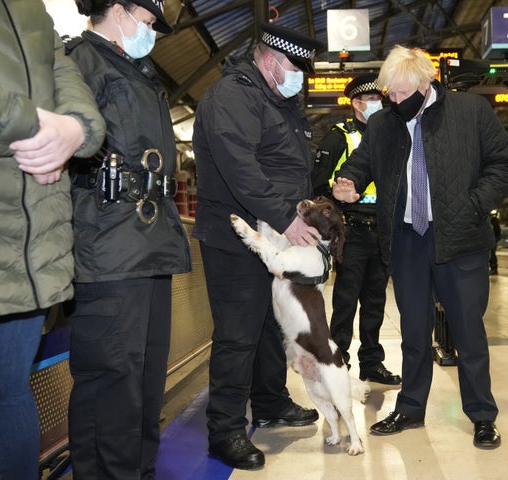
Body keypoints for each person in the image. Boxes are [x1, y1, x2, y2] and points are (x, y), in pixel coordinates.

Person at [333, 45, 508, 449]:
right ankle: (411, 408)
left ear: (425, 82)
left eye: (401, 94)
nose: (394, 102)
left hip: (462, 239)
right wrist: (348, 181)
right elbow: (360, 163)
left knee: (468, 332)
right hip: (406, 241)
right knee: (414, 332)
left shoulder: (470, 112)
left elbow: (503, 164)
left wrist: (471, 207)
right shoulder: (383, 123)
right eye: (389, 95)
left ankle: (483, 415)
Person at [64, 1, 192, 478]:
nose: (151, 31)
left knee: (144, 378)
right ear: (117, 11)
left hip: (149, 241)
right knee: (112, 379)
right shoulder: (80, 62)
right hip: (109, 243)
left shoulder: (137, 68)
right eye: (147, 20)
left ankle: (138, 471)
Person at [192, 23, 324, 470]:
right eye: (294, 67)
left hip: (271, 239)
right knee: (237, 334)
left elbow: (287, 168)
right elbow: (239, 168)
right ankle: (225, 430)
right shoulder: (233, 96)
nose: (299, 78)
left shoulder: (279, 102)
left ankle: (269, 401)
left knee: (269, 326)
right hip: (237, 237)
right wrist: (288, 220)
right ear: (269, 60)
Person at [0, 1, 105, 478]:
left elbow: (61, 71)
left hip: (26, 238)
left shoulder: (32, 9)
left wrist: (76, 127)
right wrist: (38, 130)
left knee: (5, 391)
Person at [311, 74, 401, 385]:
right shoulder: (339, 137)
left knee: (376, 300)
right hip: (351, 231)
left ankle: (372, 363)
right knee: (346, 301)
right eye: (372, 100)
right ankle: (338, 361)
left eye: (380, 99)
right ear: (357, 104)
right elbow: (318, 184)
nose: (378, 105)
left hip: (383, 230)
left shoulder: (391, 135)